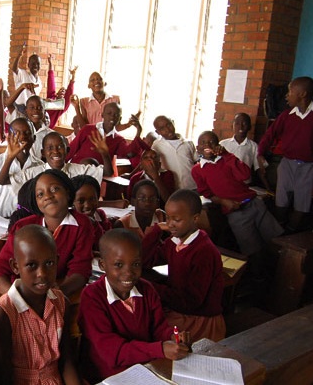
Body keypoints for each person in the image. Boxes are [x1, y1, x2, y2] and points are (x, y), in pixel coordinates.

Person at [78, 229, 189, 382]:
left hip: (145, 368)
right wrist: (160, 349)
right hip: (108, 376)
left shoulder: (147, 290)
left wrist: (172, 337)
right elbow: (112, 352)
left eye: (135, 264)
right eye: (118, 265)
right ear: (102, 265)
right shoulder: (92, 297)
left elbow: (158, 328)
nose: (129, 273)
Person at [0, 224, 80, 385]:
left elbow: (67, 361)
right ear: (15, 266)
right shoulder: (4, 312)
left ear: (57, 261)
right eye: (32, 265)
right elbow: (2, 376)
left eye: (49, 263)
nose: (42, 274)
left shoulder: (61, 303)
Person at [0, 169, 94, 299]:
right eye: (40, 194)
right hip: (16, 291)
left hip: (56, 290)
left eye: (54, 189)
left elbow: (81, 269)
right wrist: (16, 297)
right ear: (36, 202)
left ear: (68, 193)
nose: (48, 196)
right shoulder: (22, 227)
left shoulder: (82, 224)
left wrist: (56, 295)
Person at [192, 131, 283, 278]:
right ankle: (258, 280)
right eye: (203, 143)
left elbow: (245, 175)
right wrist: (223, 201)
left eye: (211, 142)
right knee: (252, 250)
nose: (207, 145)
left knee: (275, 240)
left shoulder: (227, 160)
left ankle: (281, 275)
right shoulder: (197, 170)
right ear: (198, 148)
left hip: (255, 205)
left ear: (218, 146)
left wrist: (227, 155)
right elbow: (207, 193)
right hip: (236, 213)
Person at [142, 189, 226, 341]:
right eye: (168, 218)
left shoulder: (203, 252)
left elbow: (192, 301)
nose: (170, 224)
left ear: (195, 218)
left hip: (199, 319)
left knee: (148, 332)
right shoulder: (174, 242)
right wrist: (157, 230)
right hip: (180, 308)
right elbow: (145, 260)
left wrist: (153, 288)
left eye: (176, 219)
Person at [258, 76, 313, 232]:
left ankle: (290, 232)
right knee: (281, 200)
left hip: (308, 167)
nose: (286, 95)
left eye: (290, 91)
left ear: (302, 94)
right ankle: (279, 229)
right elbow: (270, 134)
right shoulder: (287, 115)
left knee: (302, 204)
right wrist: (260, 152)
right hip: (287, 163)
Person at [0, 117, 43, 222]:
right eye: (16, 133)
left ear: (33, 139)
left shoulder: (39, 166)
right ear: (9, 137)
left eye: (27, 133)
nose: (22, 137)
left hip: (19, 218)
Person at [0, 132, 111, 195]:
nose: (56, 151)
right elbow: (2, 180)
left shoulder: (79, 170)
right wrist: (10, 157)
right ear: (43, 153)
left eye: (60, 147)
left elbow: (107, 172)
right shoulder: (34, 173)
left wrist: (105, 154)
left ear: (67, 151)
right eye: (50, 148)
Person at [67, 102, 146, 166]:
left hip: (97, 175)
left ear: (120, 119)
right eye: (109, 113)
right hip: (77, 168)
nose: (112, 117)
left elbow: (129, 153)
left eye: (116, 115)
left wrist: (139, 131)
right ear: (102, 115)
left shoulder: (118, 139)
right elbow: (71, 149)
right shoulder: (88, 129)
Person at [220, 112, 270, 190]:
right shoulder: (223, 144)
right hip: (226, 183)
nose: (241, 126)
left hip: (244, 184)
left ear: (249, 127)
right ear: (232, 126)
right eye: (237, 123)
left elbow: (259, 169)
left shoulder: (253, 146)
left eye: (244, 124)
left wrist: (268, 188)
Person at [151, 115, 197, 190]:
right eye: (162, 128)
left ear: (173, 123)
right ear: (157, 132)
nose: (167, 130)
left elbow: (195, 163)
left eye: (168, 125)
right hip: (171, 188)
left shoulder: (188, 143)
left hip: (192, 186)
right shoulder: (157, 145)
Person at [71, 175, 111, 250]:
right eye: (81, 201)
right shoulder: (69, 221)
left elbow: (108, 243)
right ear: (72, 201)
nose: (87, 205)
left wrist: (95, 225)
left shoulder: (100, 215)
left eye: (92, 199)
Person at [11, 45, 42, 115]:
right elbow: (14, 69)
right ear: (28, 65)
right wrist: (19, 56)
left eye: (38, 63)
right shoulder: (23, 74)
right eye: (33, 63)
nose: (35, 66)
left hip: (30, 109)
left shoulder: (39, 82)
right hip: (19, 108)